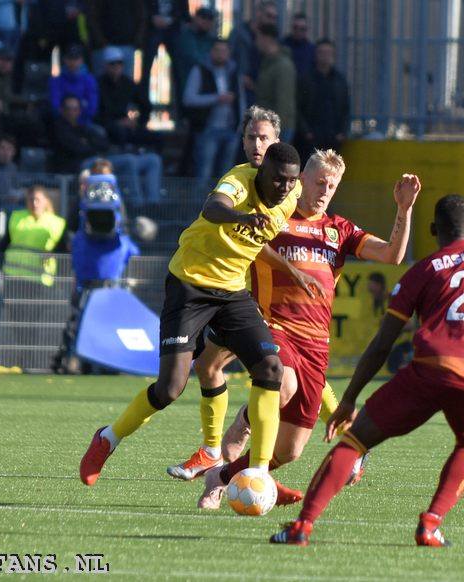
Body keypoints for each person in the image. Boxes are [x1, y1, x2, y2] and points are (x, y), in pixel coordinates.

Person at [270, 194, 464, 546]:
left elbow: (383, 342)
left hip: (431, 370)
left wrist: (349, 399)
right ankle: (431, 524)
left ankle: (302, 527)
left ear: (433, 230)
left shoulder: (423, 270)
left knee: (356, 440)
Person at [183, 151, 420, 511]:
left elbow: (391, 255)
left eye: (332, 185)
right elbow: (240, 239)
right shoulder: (276, 218)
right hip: (271, 325)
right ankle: (241, 432)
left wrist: (403, 210)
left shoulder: (338, 229)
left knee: (290, 450)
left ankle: (223, 475)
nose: (325, 190)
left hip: (316, 344)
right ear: (301, 181)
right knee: (282, 384)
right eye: (320, 182)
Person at [79, 141, 304, 488]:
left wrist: (292, 268)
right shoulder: (239, 182)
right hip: (190, 286)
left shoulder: (292, 192)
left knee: (270, 368)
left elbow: (263, 238)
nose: (285, 188)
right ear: (261, 172)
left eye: (291, 181)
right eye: (278, 180)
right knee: (170, 388)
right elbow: (213, 207)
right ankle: (108, 438)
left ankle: (257, 473)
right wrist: (243, 217)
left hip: (232, 293)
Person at [52, 173, 140, 374]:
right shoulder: (82, 229)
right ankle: (74, 360)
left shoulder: (117, 234)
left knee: (111, 327)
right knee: (78, 326)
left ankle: (108, 364)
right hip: (87, 287)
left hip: (111, 288)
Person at [182, 38, 244, 180]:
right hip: (208, 129)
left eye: (224, 51)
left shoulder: (233, 71)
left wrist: (241, 124)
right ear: (211, 52)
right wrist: (216, 98)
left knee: (227, 176)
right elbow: (188, 98)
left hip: (231, 129)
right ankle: (200, 201)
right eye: (217, 50)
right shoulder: (200, 70)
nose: (220, 54)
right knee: (204, 172)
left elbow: (241, 99)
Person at [0, 184, 68, 287]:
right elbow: (3, 245)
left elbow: (64, 250)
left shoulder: (57, 223)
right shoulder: (16, 217)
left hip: (40, 279)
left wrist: (52, 253)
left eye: (37, 200)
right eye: (31, 200)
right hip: (14, 277)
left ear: (46, 201)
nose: (34, 203)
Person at [295, 38, 350, 160]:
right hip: (311, 136)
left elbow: (346, 108)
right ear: (316, 54)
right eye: (321, 52)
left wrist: (342, 133)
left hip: (333, 136)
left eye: (328, 52)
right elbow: (298, 107)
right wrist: (306, 132)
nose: (325, 56)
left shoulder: (339, 80)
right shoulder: (306, 79)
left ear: (333, 55)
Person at [95, 46, 155, 147]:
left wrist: (138, 122)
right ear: (105, 66)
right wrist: (117, 123)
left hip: (127, 124)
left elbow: (145, 104)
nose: (116, 66)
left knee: (156, 137)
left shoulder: (128, 84)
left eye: (119, 63)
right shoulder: (98, 84)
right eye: (112, 64)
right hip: (108, 126)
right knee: (119, 133)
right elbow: (97, 115)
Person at [228, 0, 277, 107]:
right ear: (259, 13)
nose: (271, 20)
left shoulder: (272, 37)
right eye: (269, 15)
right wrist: (240, 76)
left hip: (261, 90)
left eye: (274, 17)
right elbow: (228, 58)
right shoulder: (239, 32)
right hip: (241, 88)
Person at [255, 23, 296, 143]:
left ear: (266, 39)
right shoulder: (268, 62)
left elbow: (283, 100)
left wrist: (277, 130)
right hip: (267, 125)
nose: (256, 42)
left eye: (258, 38)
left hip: (277, 128)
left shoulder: (282, 65)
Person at [85, 0, 146, 79]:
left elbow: (141, 16)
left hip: (127, 45)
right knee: (101, 84)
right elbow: (92, 16)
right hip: (103, 47)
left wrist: (136, 41)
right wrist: (101, 42)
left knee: (126, 84)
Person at [48, 43, 98, 126]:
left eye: (76, 58)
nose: (72, 62)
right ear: (64, 59)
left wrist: (77, 119)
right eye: (70, 58)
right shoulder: (55, 80)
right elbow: (54, 105)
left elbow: (92, 107)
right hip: (61, 123)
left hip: (84, 123)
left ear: (81, 60)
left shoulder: (89, 80)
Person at [282, 12, 315, 77]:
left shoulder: (313, 50)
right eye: (295, 27)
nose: (298, 31)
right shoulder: (281, 46)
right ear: (291, 28)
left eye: (302, 29)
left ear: (307, 29)